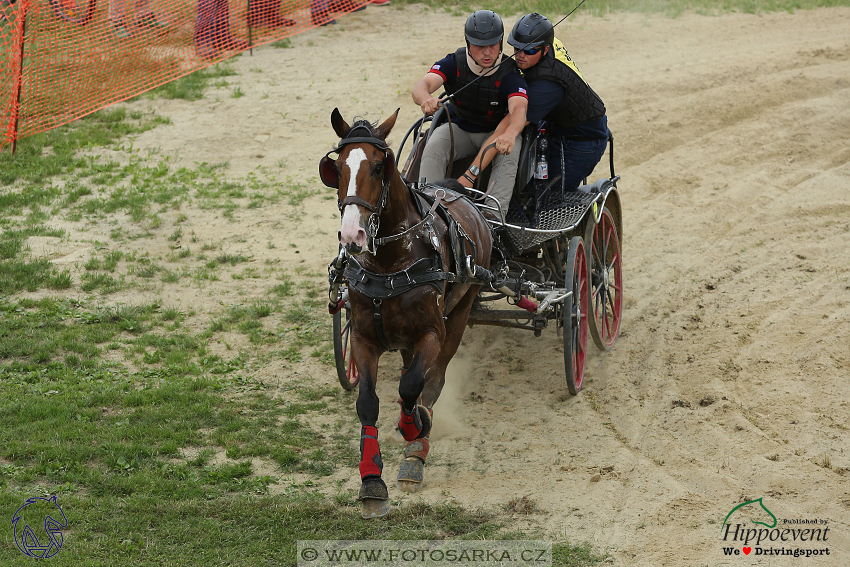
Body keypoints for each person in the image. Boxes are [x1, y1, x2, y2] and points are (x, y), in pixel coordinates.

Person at [411, 10, 528, 220]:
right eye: (479, 46)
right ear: (468, 43)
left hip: (496, 133)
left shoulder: (510, 73)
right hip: (460, 129)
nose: (487, 52)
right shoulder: (453, 63)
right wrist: (425, 99)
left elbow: (519, 108)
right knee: (434, 144)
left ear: (501, 43)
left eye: (493, 45)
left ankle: (494, 216)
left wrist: (510, 134)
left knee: (512, 148)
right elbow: (422, 85)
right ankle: (427, 211)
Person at [507, 13, 609, 198]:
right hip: (558, 125)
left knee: (548, 197)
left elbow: (514, 121)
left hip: (583, 142)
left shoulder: (547, 86)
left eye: (529, 51)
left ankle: (586, 196)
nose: (520, 55)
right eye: (516, 48)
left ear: (545, 50)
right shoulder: (548, 40)